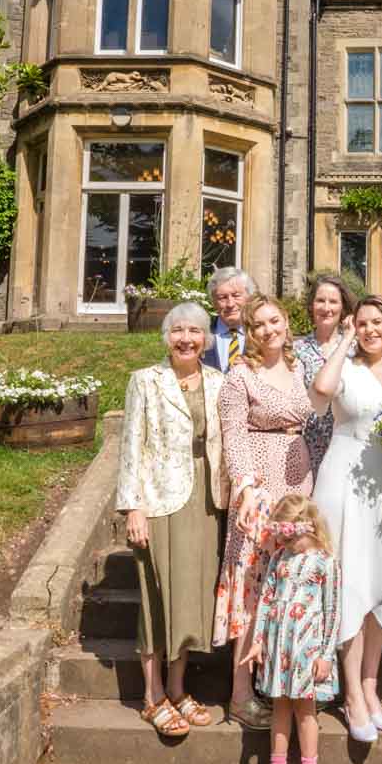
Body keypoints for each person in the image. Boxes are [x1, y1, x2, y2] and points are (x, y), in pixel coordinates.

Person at [309, 296, 382, 741]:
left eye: (377, 322)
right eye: (361, 323)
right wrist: (342, 342)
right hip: (344, 483)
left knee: (381, 587)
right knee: (353, 585)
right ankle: (352, 693)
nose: (370, 330)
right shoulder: (347, 369)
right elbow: (321, 391)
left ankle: (371, 686)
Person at [114, 301, 226, 738]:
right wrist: (133, 507)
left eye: (195, 331)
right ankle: (152, 695)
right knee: (157, 595)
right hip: (160, 498)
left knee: (190, 598)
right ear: (166, 337)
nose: (186, 339)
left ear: (206, 339)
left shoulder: (218, 381)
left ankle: (178, 689)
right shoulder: (145, 381)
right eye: (178, 330)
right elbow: (131, 445)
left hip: (206, 501)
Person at [213, 294, 313, 730]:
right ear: (249, 332)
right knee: (253, 586)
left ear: (286, 322)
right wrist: (246, 487)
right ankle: (240, 694)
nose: (268, 330)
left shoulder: (299, 367)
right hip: (259, 485)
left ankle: (280, 683)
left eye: (274, 321)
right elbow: (232, 436)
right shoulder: (240, 375)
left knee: (289, 583)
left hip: (298, 481)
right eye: (258, 325)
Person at [241, 494, 341, 764]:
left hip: (307, 652)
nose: (284, 543)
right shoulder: (278, 558)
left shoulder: (326, 562)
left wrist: (326, 654)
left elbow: (332, 611)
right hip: (278, 648)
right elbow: (266, 601)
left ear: (304, 528)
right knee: (280, 710)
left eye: (288, 537)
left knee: (306, 712)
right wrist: (258, 641)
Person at [292, 273, 357, 475]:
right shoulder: (297, 349)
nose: (326, 308)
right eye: (320, 300)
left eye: (333, 301)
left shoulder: (355, 348)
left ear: (343, 307)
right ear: (311, 305)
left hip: (346, 443)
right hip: (307, 445)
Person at [202, 266, 253, 372]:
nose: (230, 304)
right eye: (222, 298)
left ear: (249, 297)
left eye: (236, 295)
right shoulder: (201, 333)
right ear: (213, 302)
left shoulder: (261, 333)